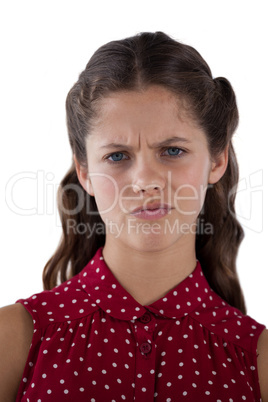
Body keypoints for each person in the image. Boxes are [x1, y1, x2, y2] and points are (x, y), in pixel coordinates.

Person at [0, 31, 267, 401]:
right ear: (84, 171)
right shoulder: (14, 340)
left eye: (172, 150)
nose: (145, 181)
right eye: (117, 156)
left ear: (217, 160)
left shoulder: (258, 360)